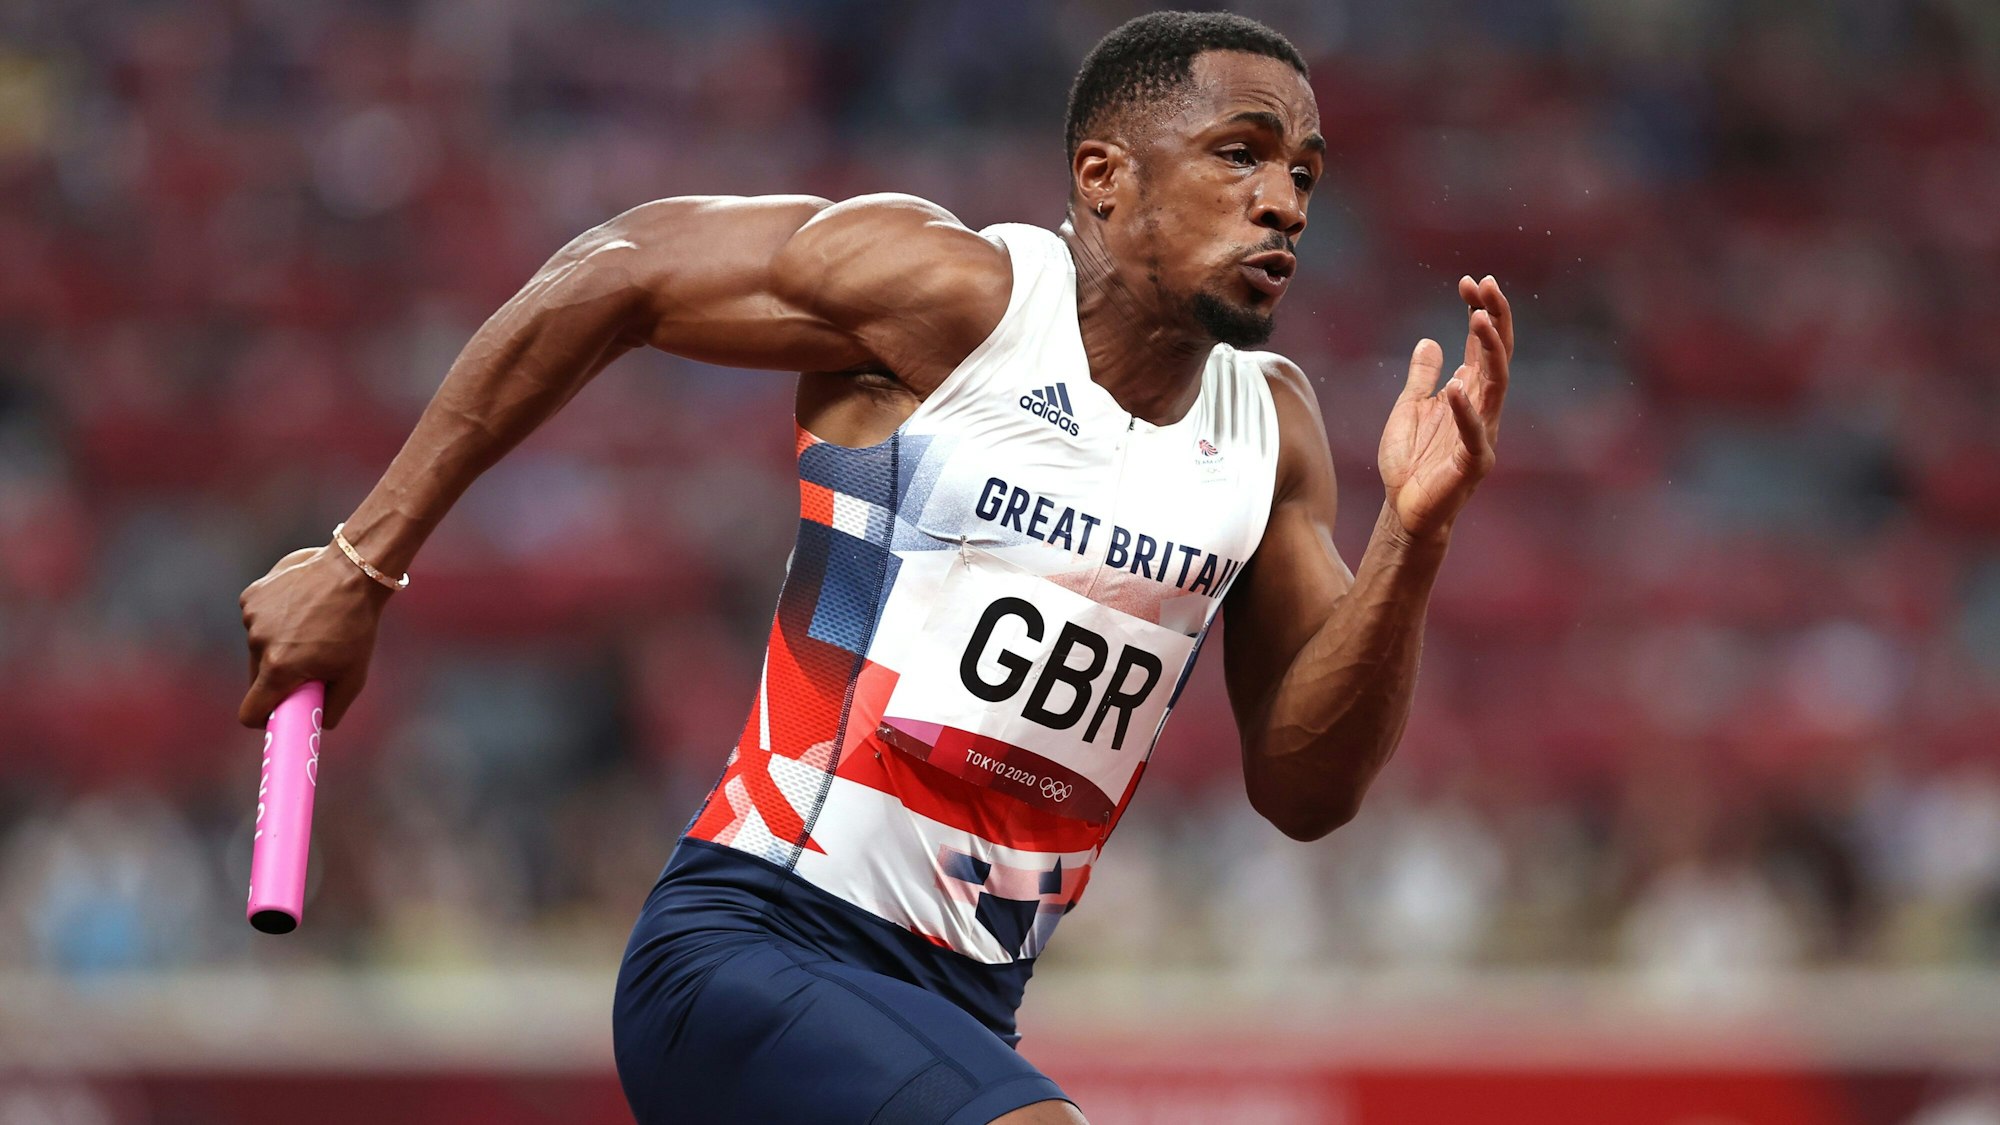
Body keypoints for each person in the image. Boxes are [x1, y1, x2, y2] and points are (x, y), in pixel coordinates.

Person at [235, 11, 1514, 1124]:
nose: (1283, 199)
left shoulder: (1269, 433)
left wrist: (1413, 538)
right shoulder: (953, 299)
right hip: (750, 947)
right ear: (1104, 175)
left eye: (1303, 171)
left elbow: (1305, 786)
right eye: (1238, 153)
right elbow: (614, 272)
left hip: (960, 1019)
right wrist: (363, 559)